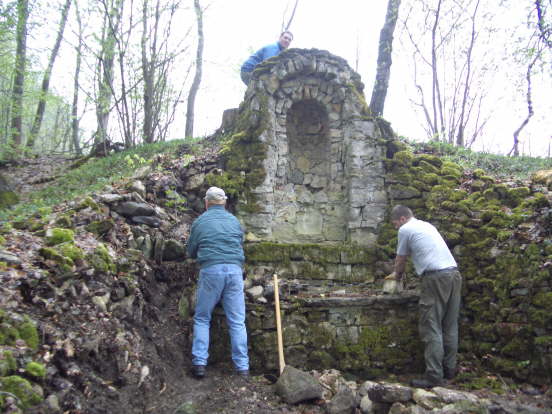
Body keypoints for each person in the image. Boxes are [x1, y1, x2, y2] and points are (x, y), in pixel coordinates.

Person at [387, 205, 462, 388]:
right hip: (454, 274)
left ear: (402, 219)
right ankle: (449, 370)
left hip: (435, 278)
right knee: (450, 325)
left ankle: (434, 376)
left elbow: (401, 259)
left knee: (431, 325)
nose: (396, 227)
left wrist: (395, 277)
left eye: (395, 224)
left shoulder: (405, 229)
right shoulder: (427, 225)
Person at [186, 186, 249, 379]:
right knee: (237, 321)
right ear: (224, 203)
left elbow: (190, 251)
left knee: (202, 317)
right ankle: (242, 368)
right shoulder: (234, 221)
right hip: (234, 271)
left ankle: (199, 364)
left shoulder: (200, 221)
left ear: (206, 203)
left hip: (211, 270)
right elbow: (240, 242)